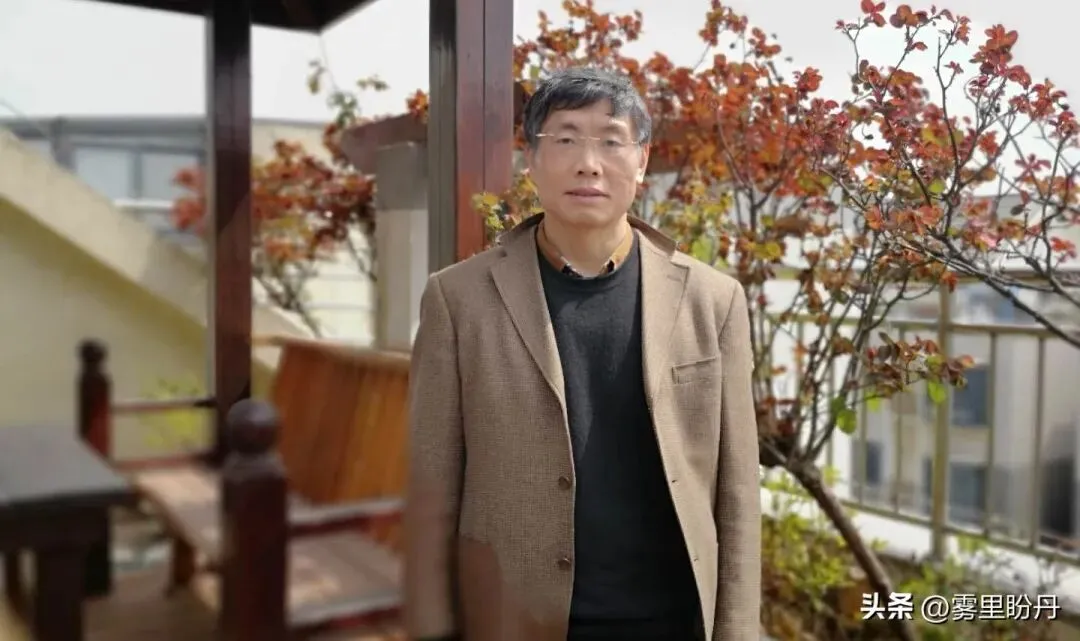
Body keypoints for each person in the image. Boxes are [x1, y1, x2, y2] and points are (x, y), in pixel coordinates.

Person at [404, 66, 761, 641]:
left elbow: (737, 491)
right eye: (565, 139)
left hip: (670, 620)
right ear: (531, 158)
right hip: (511, 619)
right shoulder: (458, 299)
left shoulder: (712, 300)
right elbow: (431, 489)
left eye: (612, 141)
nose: (588, 163)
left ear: (641, 161)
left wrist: (737, 631)